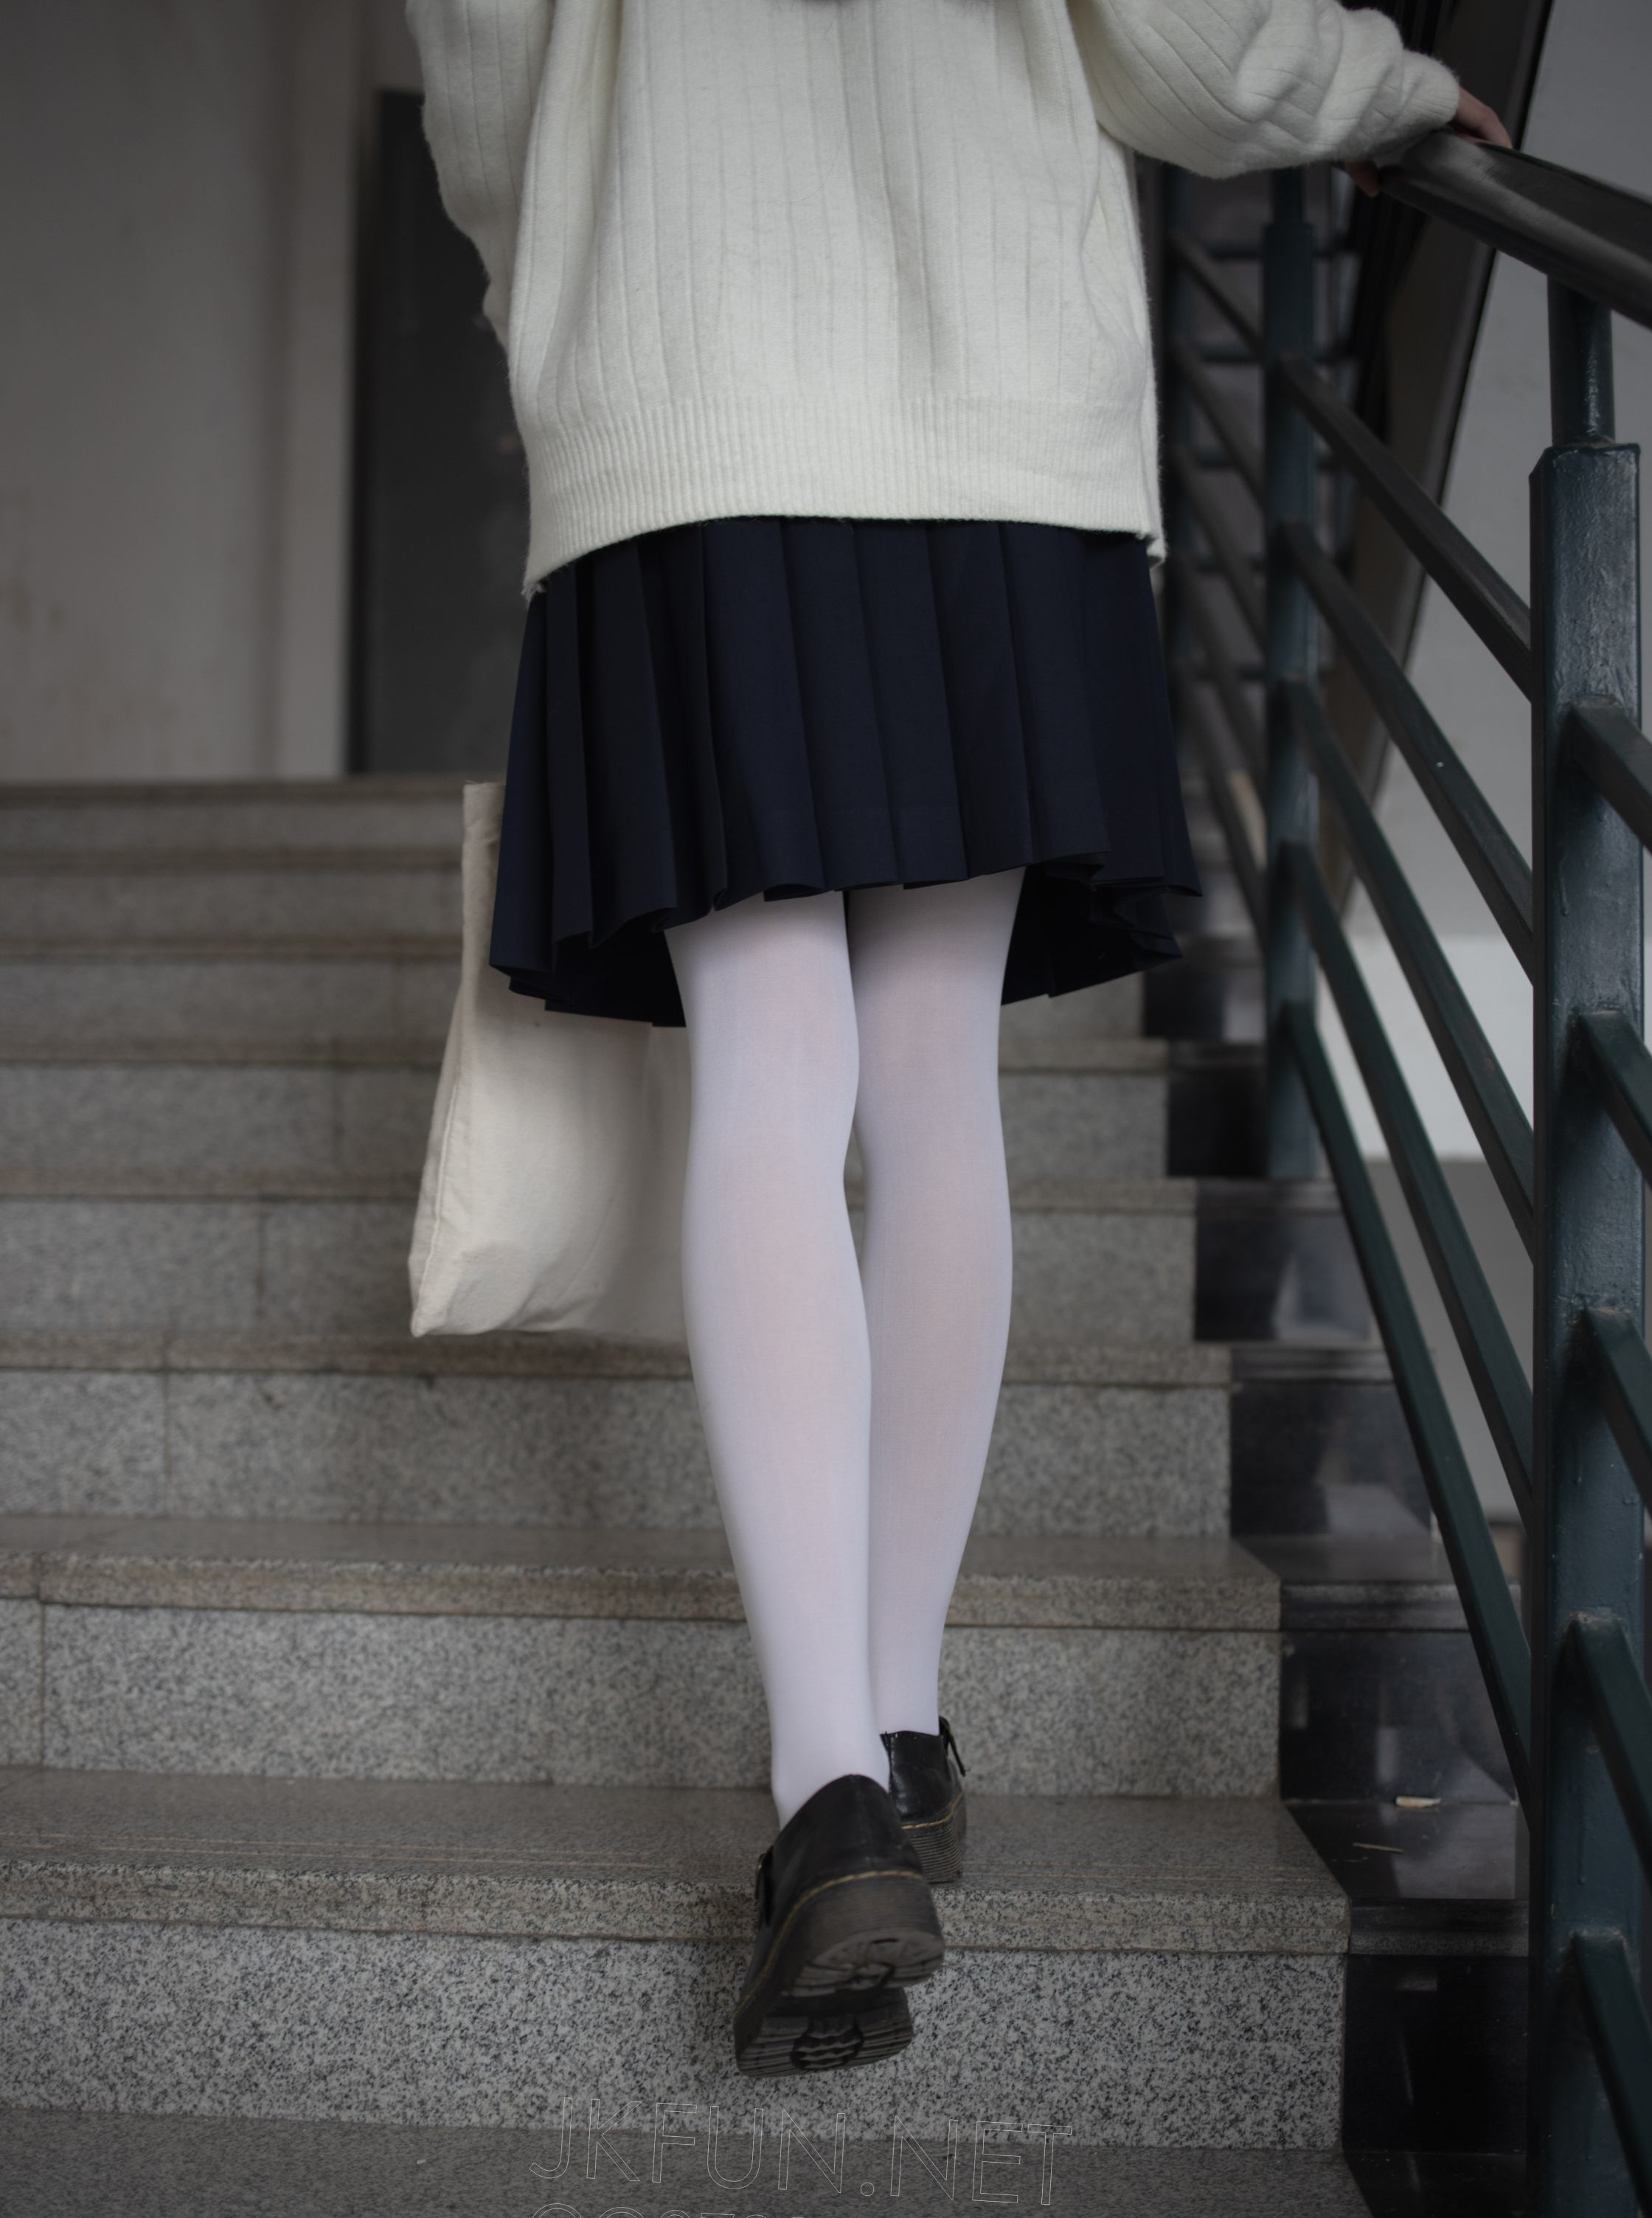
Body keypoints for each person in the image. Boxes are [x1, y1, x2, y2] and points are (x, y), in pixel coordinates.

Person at [406, 0, 1509, 2079]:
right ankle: (900, 1722)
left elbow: (486, 86)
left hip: (697, 399)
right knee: (932, 1084)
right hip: (993, 418)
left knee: (770, 1077)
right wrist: (1373, 90)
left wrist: (566, 269)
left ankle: (830, 1790)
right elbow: (1179, 35)